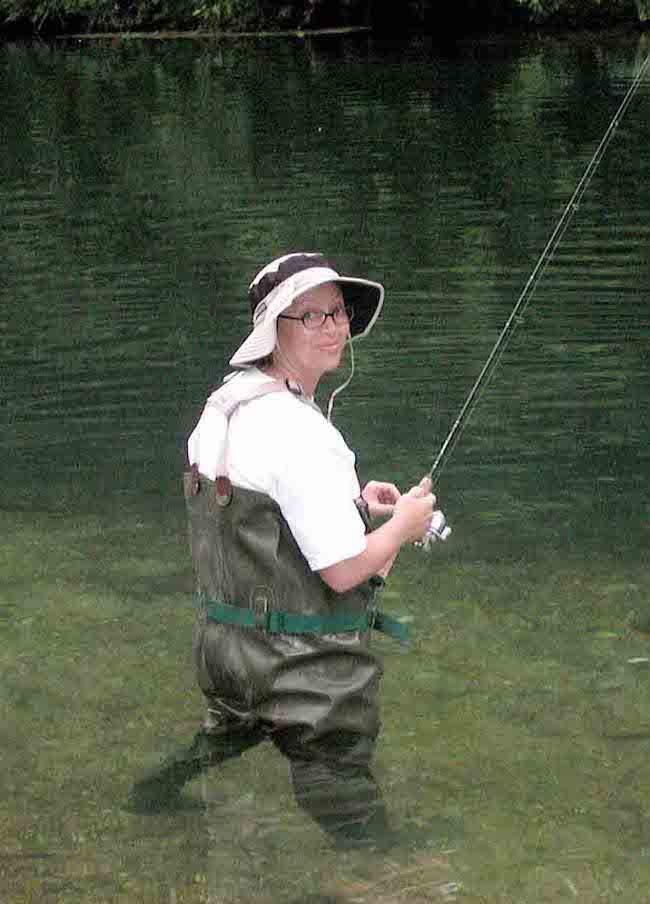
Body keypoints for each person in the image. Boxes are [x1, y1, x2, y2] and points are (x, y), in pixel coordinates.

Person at [128, 252, 438, 848]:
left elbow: (260, 515)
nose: (335, 327)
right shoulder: (304, 435)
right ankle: (381, 866)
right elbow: (345, 571)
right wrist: (404, 524)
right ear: (274, 329)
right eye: (312, 316)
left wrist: (359, 507)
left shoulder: (221, 407)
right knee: (333, 768)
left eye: (339, 313)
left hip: (224, 651)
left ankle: (154, 794)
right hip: (302, 670)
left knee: (233, 728)